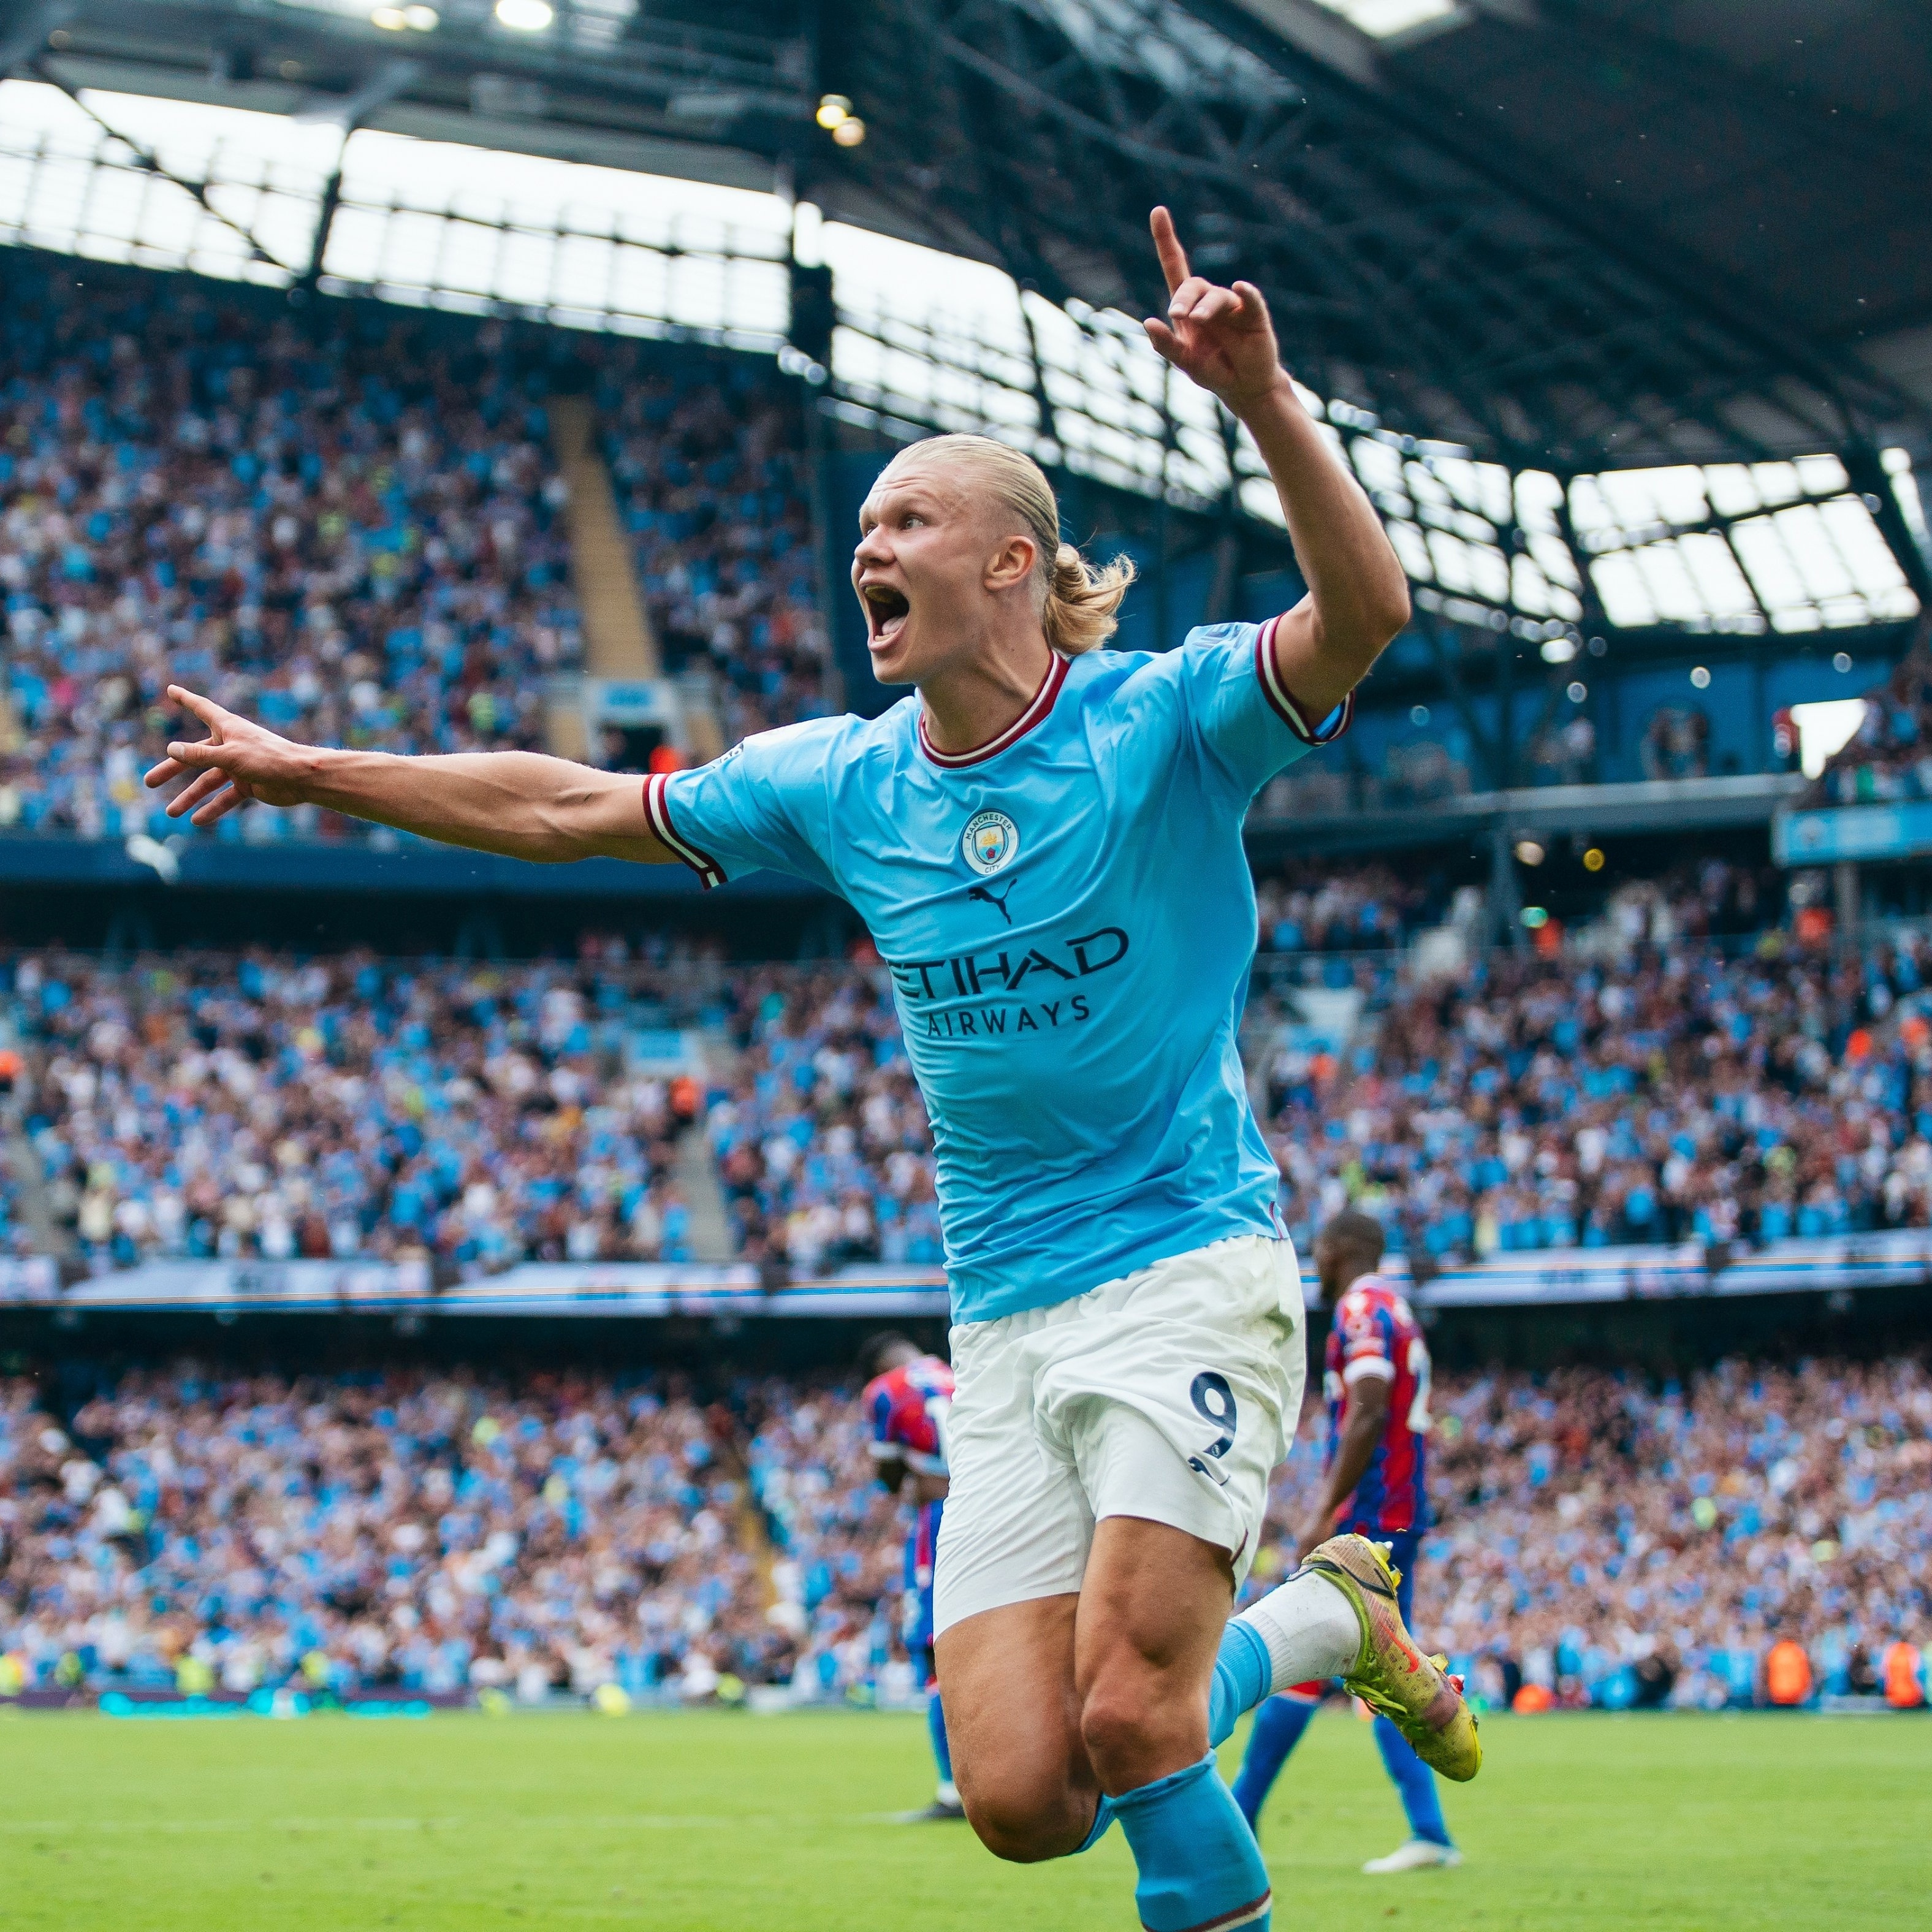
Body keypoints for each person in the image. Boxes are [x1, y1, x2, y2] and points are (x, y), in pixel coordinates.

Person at [147, 207, 1478, 1932]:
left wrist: (1265, 402)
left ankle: (1289, 1679)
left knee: (1138, 1715)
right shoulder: (841, 780)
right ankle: (1329, 1624)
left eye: (909, 517)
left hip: (1183, 1271)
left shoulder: (1163, 721)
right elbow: (566, 807)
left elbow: (1365, 609)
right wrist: (309, 770)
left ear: (1012, 560)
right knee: (1020, 1799)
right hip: (1001, 1318)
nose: (873, 544)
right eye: (864, 524)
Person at [1232, 1211, 1462, 1875]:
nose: (1317, 1264)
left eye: (1321, 1252)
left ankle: (1243, 1813)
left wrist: (1325, 1508)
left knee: (1339, 1661)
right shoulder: (1397, 1305)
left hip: (1370, 1517)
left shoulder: (1361, 1306)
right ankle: (1426, 1830)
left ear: (1341, 1249)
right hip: (1392, 1510)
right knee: (1360, 1663)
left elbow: (1366, 1404)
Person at [860, 1332, 962, 1820]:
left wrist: (903, 1471)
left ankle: (953, 1791)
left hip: (940, 1517)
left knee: (934, 1647)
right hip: (995, 1508)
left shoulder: (885, 1389)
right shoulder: (959, 1372)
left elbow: (889, 1477)